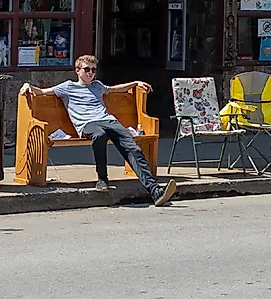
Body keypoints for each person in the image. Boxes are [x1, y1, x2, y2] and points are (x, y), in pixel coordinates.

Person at [28, 55, 175, 206]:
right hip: (88, 124)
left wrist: (135, 83)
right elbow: (42, 92)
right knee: (100, 136)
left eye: (93, 70)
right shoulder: (67, 87)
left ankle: (155, 191)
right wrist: (28, 86)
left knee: (133, 148)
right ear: (77, 71)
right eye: (87, 69)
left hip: (109, 121)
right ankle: (102, 179)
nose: (90, 73)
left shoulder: (97, 85)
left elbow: (113, 89)